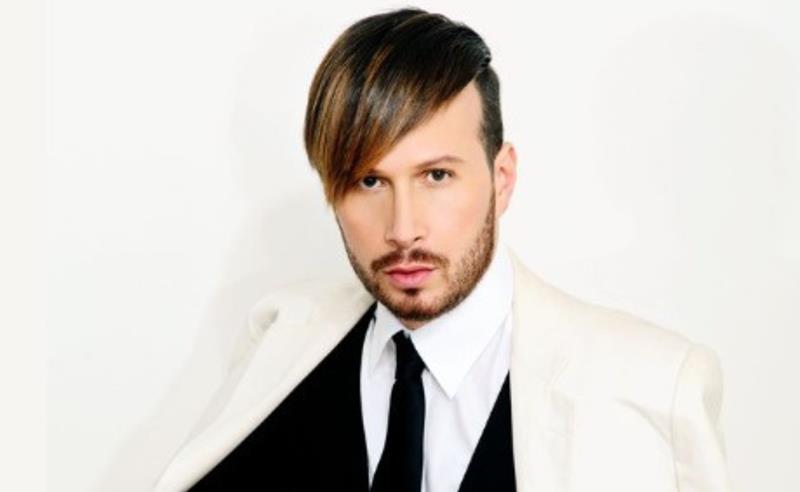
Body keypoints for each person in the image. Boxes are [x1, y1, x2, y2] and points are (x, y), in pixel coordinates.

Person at [154, 8, 730, 491]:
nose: (403, 230)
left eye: (436, 176)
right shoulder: (280, 336)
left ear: (502, 178)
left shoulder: (654, 390)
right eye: (369, 181)